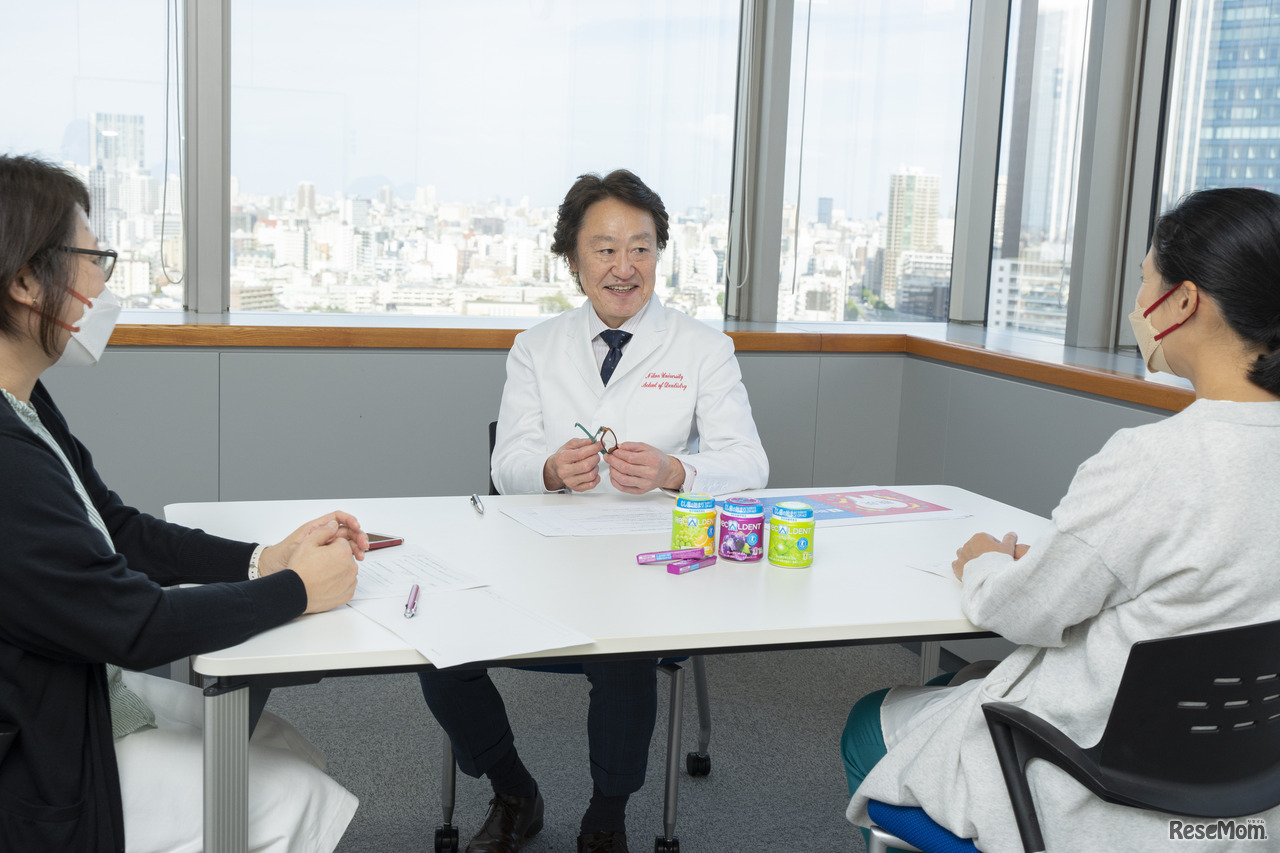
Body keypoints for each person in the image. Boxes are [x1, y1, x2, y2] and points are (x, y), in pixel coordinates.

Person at [841, 186, 1280, 852]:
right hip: (1249, 804)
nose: (1139, 303)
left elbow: (1024, 611)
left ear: (1184, 301)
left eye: (1145, 281)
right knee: (956, 686)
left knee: (868, 727)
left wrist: (987, 561)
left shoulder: (1156, 460)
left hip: (1104, 798)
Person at [0, 154, 366, 851]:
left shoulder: (25, 401)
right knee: (296, 795)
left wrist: (265, 560)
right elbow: (134, 624)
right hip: (37, 751)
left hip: (72, 686)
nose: (102, 282)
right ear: (23, 281)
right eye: (92, 259)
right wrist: (296, 589)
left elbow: (119, 531)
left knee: (283, 746)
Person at [422, 169, 768, 853]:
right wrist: (549, 471)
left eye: (641, 248)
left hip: (649, 566)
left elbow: (750, 464)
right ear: (573, 259)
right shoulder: (536, 347)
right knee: (441, 649)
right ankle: (514, 789)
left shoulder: (704, 348)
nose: (624, 267)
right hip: (545, 556)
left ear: (660, 255)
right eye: (605, 249)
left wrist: (677, 471)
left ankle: (606, 817)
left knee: (622, 655)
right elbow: (508, 463)